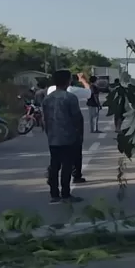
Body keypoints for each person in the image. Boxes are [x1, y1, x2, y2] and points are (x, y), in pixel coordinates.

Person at [42, 70, 85, 204]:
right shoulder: (70, 98)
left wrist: (48, 133)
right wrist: (80, 134)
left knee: (54, 165)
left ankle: (54, 194)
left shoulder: (47, 99)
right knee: (67, 165)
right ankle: (65, 194)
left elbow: (45, 119)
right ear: (68, 81)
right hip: (68, 136)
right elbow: (77, 117)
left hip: (53, 137)